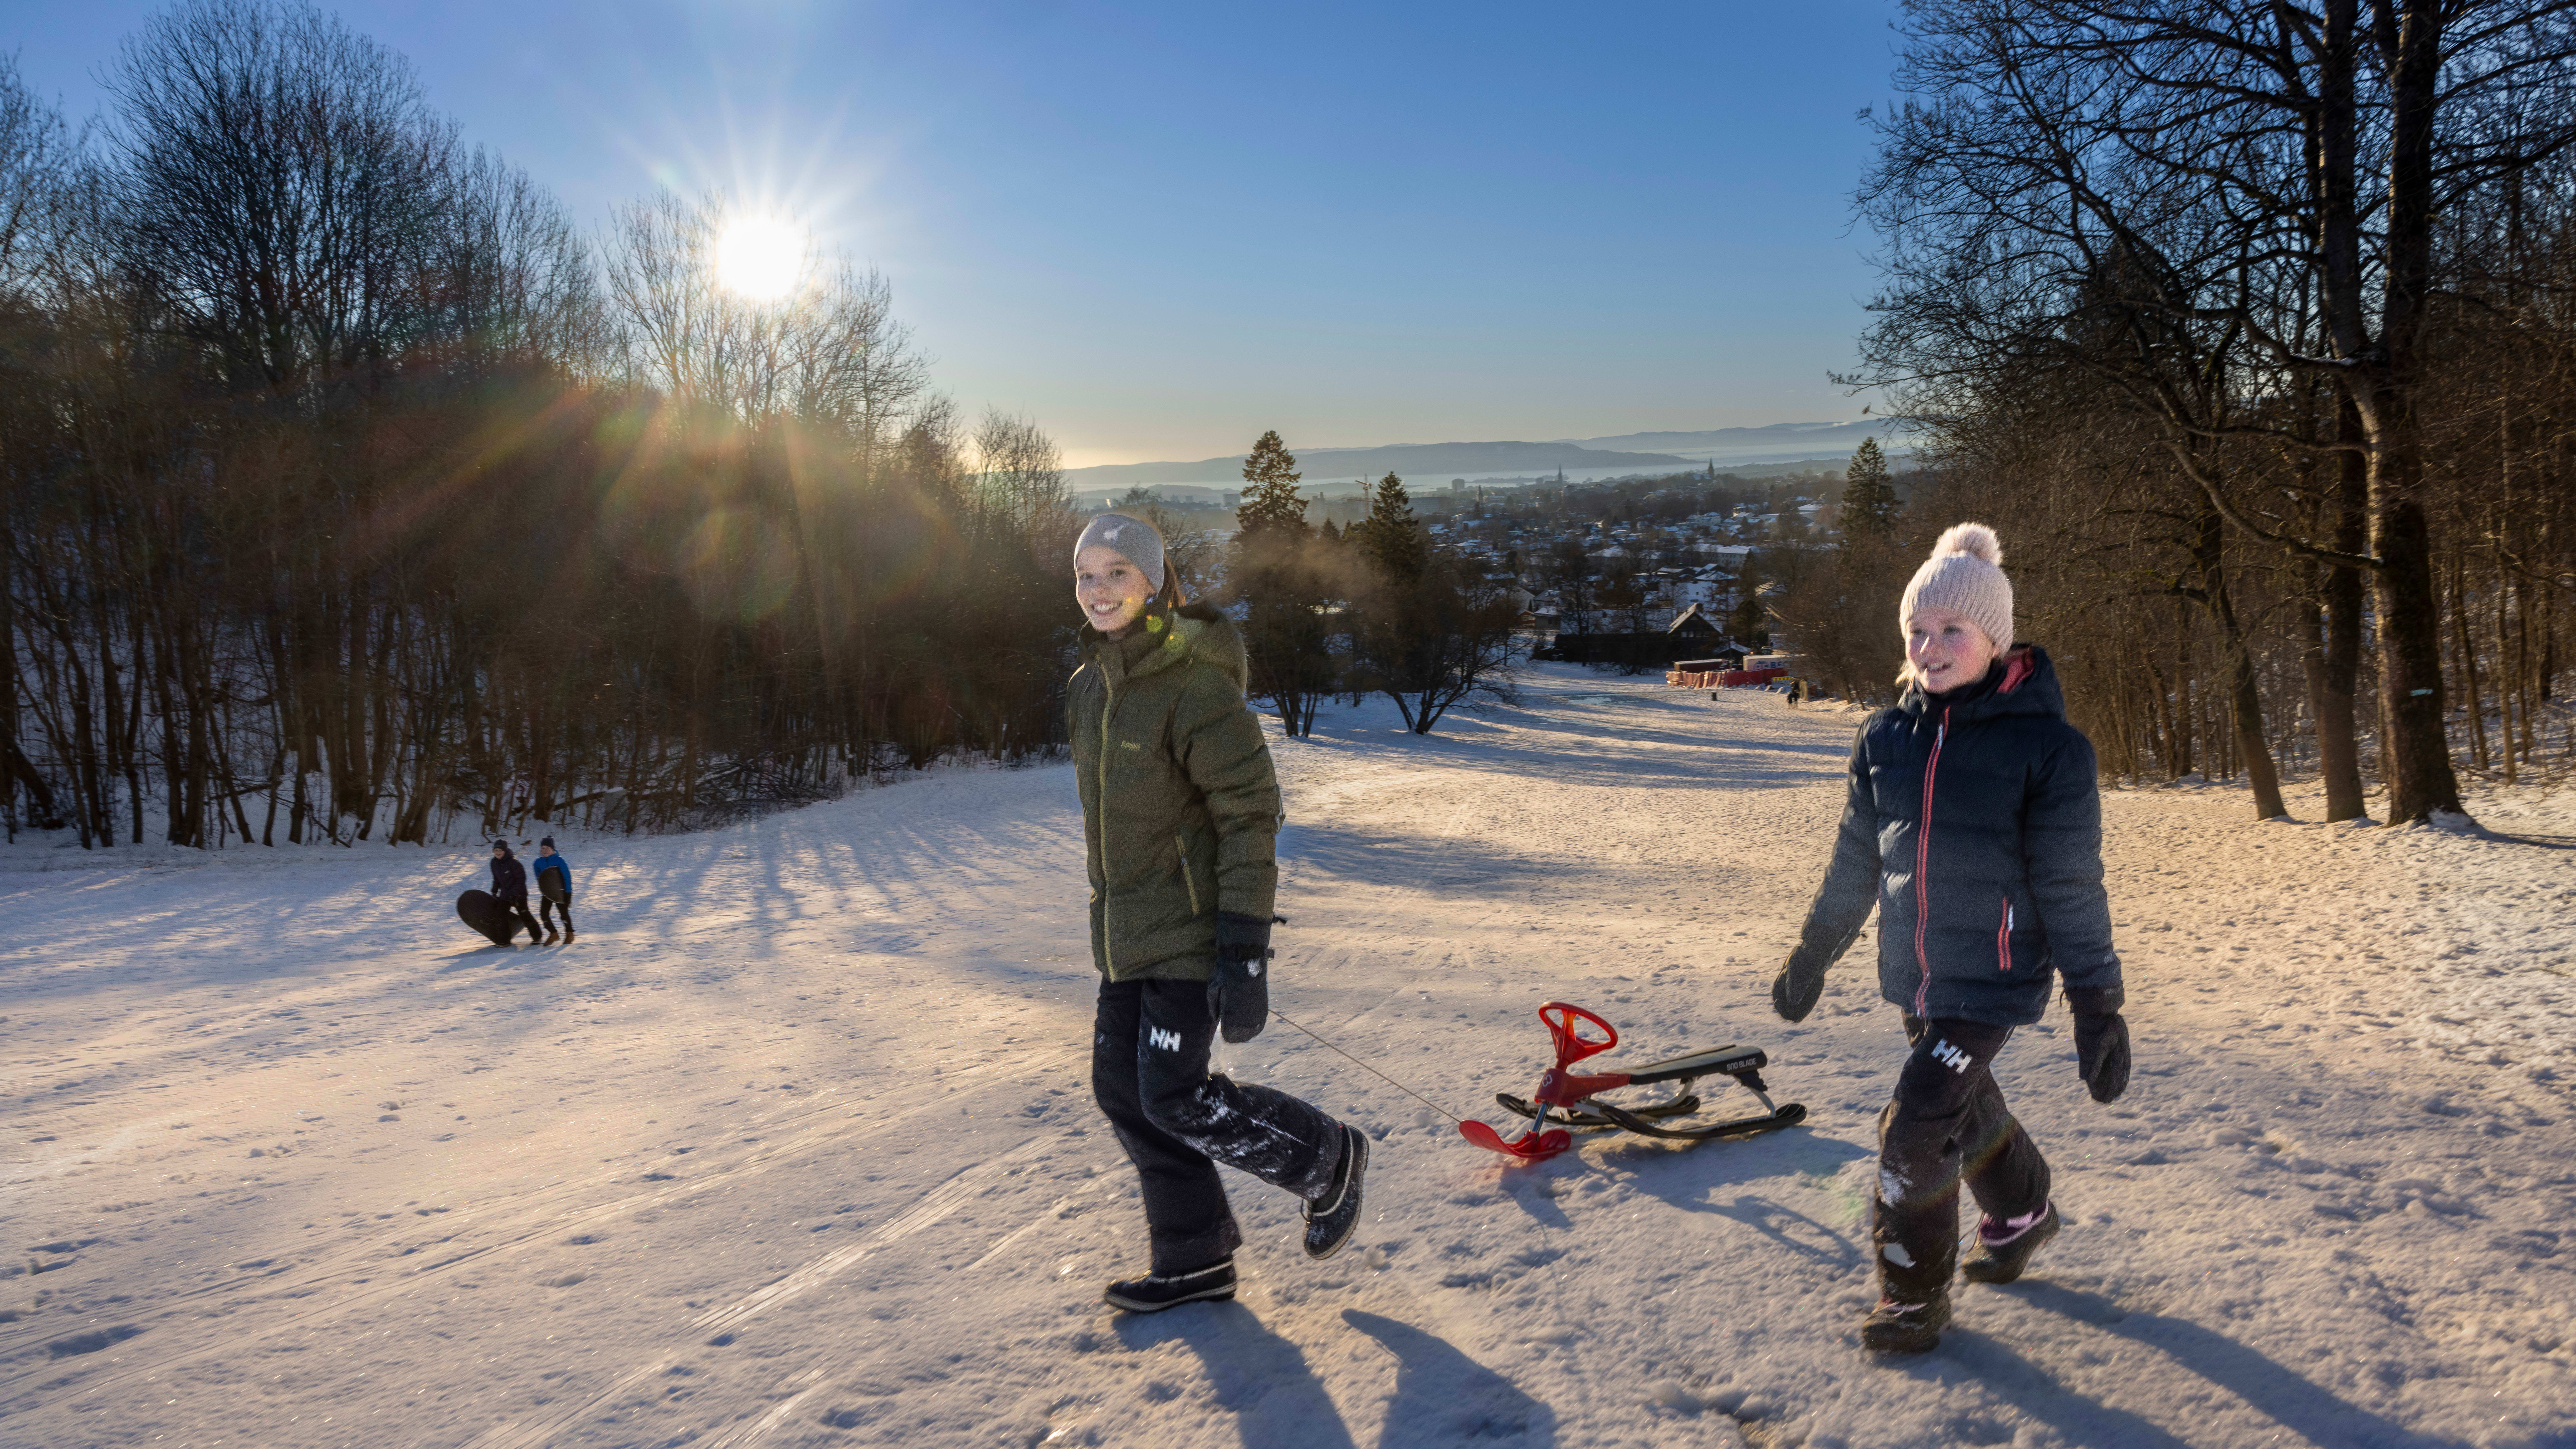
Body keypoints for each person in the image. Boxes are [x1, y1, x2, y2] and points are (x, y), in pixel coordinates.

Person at [1770, 523, 2131, 1354]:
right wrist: (1814, 950)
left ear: (1996, 640)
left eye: (1952, 630)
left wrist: (2096, 1005)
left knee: (1914, 1130)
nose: (1929, 648)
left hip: (1994, 977)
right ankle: (2022, 1211)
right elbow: (1857, 860)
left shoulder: (2049, 751)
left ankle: (1911, 1297)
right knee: (1964, 1111)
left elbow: (2070, 885)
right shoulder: (1885, 739)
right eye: (1917, 631)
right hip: (1917, 973)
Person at [1068, 512, 1371, 1314]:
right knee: (1122, 1091)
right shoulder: (1089, 688)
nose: (1099, 589)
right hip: (1126, 934)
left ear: (1154, 582)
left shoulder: (1194, 686)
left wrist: (1242, 947)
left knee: (1174, 1094)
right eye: (1086, 575)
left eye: (1117, 572)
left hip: (1194, 931)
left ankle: (1326, 1156)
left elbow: (1249, 814)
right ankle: (1195, 1259)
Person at [488, 840, 543, 946]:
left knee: (524, 914)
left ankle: (537, 936)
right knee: (500, 915)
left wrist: (515, 894)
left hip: (519, 895)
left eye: (500, 850)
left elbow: (521, 880)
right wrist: (494, 891)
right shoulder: (494, 863)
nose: (498, 853)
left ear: (505, 851)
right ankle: (504, 941)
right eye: (496, 850)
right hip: (505, 895)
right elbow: (496, 879)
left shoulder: (514, 863)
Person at [533, 837, 575, 943]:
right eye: (543, 848)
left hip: (561, 892)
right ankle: (554, 934)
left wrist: (568, 893)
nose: (545, 850)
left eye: (548, 848)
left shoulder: (559, 861)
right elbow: (540, 879)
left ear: (553, 849)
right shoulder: (538, 863)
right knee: (544, 914)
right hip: (547, 893)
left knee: (564, 914)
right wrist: (543, 890)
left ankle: (570, 934)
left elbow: (567, 877)